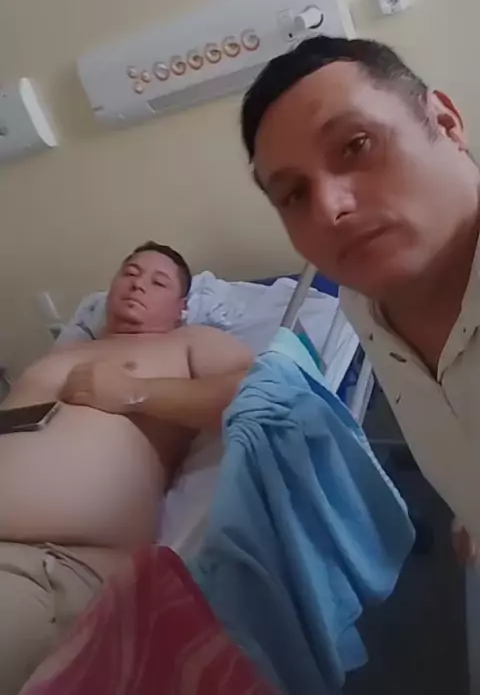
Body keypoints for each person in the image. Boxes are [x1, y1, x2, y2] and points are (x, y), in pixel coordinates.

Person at [240, 34, 480, 562]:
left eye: (356, 145)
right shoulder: (361, 304)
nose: (329, 208)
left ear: (445, 122)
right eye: (295, 194)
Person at [0, 241, 252, 695]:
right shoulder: (56, 354)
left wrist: (134, 392)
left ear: (182, 307)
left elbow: (254, 391)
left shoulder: (187, 343)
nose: (138, 284)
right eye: (130, 273)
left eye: (158, 282)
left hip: (57, 562)